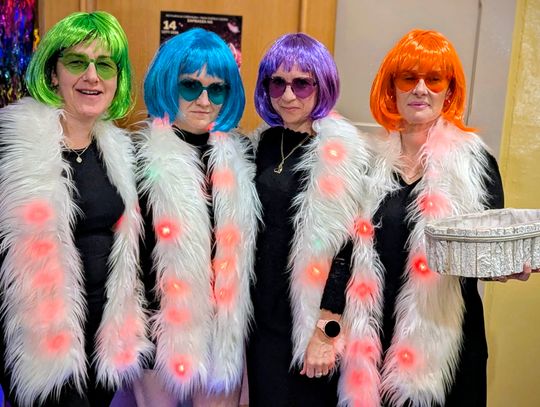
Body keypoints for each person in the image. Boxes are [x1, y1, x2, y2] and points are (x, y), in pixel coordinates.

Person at [338, 29, 531, 407]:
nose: (421, 89)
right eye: (409, 78)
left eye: (434, 79)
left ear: (450, 90)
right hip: (371, 338)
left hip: (445, 346)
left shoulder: (474, 164)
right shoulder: (366, 161)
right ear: (392, 87)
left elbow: (489, 250)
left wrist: (503, 266)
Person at [0, 11, 152, 407]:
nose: (92, 76)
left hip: (103, 338)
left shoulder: (121, 151)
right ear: (53, 74)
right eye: (76, 62)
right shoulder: (13, 147)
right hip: (39, 340)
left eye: (105, 65)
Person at [135, 28, 260, 405]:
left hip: (223, 336)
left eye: (216, 89)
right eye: (190, 86)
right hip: (158, 334)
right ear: (167, 84)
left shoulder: (242, 158)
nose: (204, 100)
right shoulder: (137, 157)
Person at [247, 33, 371, 406]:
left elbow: (348, 252)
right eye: (278, 83)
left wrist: (326, 332)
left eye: (302, 84)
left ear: (322, 86)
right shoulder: (259, 145)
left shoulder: (339, 153)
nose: (288, 95)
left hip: (311, 326)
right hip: (261, 325)